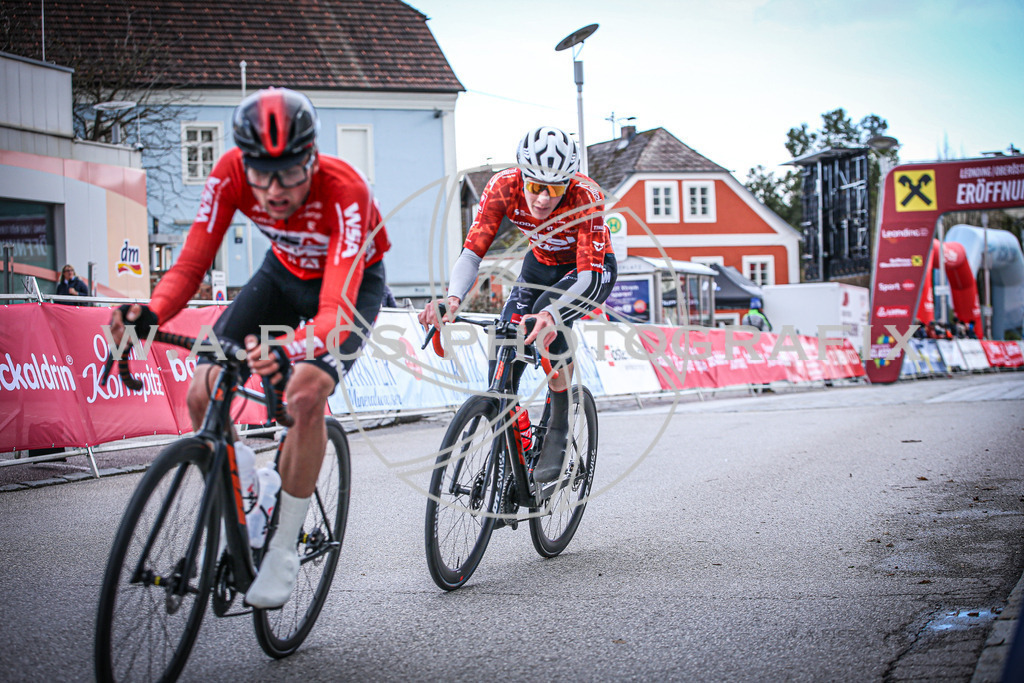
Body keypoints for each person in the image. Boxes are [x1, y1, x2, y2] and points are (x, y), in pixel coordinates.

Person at [108, 87, 391, 609]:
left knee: (306, 395)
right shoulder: (229, 174)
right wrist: (150, 312)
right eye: (262, 172)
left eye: (289, 173)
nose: (275, 189)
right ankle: (249, 500)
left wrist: (292, 348)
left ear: (312, 159)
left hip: (350, 283)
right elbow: (193, 262)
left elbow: (332, 311)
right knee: (203, 389)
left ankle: (283, 547)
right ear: (245, 163)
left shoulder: (346, 189)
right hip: (281, 274)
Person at [419, 126, 617, 484]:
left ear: (568, 184)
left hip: (588, 271)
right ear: (522, 176)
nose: (542, 198)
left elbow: (587, 276)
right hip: (539, 264)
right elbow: (471, 253)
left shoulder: (585, 195)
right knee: (504, 345)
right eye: (535, 186)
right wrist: (451, 299)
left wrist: (551, 314)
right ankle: (518, 439)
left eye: (554, 189)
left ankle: (558, 423)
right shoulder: (502, 187)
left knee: (545, 315)